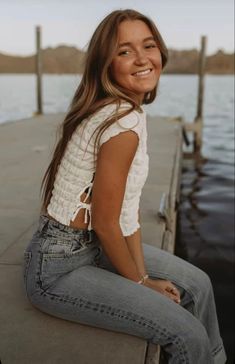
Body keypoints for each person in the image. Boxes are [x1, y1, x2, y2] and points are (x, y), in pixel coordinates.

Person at [23, 9, 226, 364]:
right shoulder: (120, 124)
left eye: (148, 46)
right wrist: (140, 283)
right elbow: (105, 222)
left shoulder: (126, 112)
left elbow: (126, 212)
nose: (142, 58)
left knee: (199, 284)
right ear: (106, 64)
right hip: (58, 268)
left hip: (93, 247)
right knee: (186, 333)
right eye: (124, 51)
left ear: (160, 52)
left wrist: (142, 275)